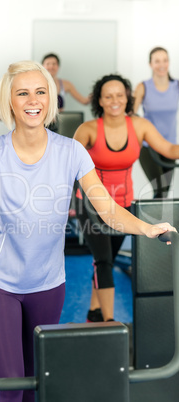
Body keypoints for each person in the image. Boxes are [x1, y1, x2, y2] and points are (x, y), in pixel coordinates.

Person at [0, 62, 175, 402]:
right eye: (22, 93)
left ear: (50, 99)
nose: (32, 100)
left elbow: (108, 210)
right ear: (10, 101)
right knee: (10, 385)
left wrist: (147, 228)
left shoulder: (71, 152)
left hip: (48, 283)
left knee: (40, 381)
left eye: (40, 92)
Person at [73, 73, 179, 323]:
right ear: (99, 100)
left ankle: (93, 314)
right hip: (90, 204)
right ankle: (110, 324)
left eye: (120, 95)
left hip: (124, 205)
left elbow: (168, 149)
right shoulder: (88, 130)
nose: (114, 100)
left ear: (128, 98)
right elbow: (69, 159)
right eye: (108, 96)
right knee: (103, 260)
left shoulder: (139, 126)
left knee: (104, 261)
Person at [133, 46, 179, 198]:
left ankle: (159, 222)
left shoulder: (176, 86)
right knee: (160, 189)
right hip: (148, 146)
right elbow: (130, 114)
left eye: (165, 60)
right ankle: (152, 222)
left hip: (171, 147)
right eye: (157, 61)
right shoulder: (143, 87)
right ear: (150, 64)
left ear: (168, 62)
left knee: (164, 192)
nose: (161, 64)